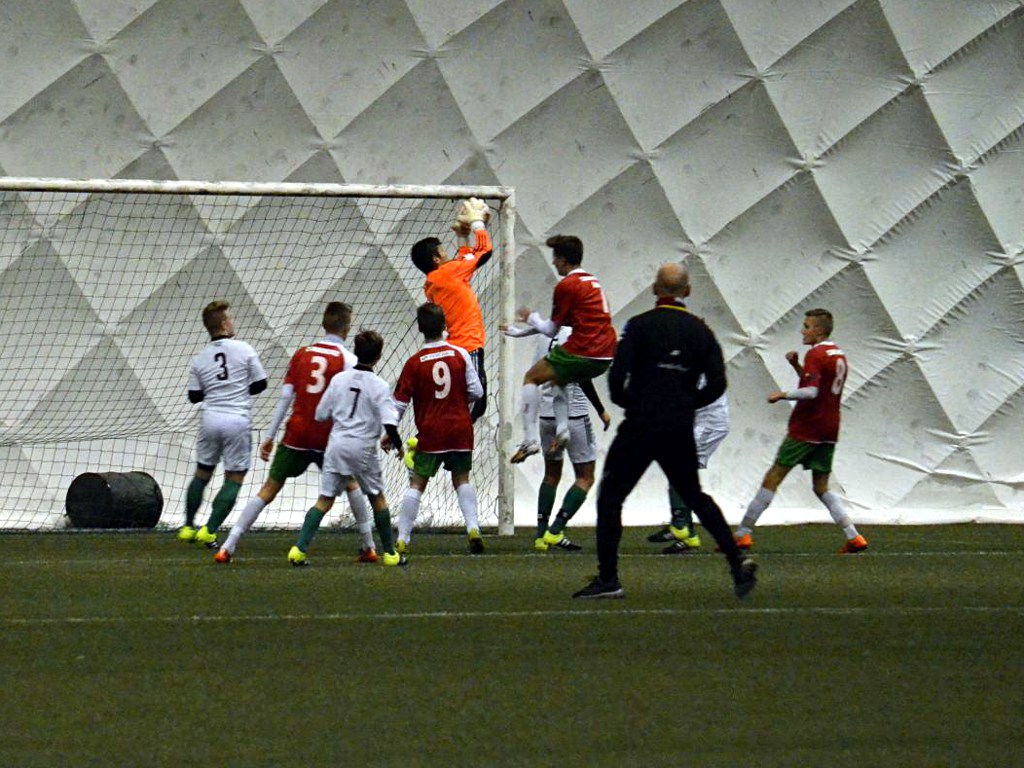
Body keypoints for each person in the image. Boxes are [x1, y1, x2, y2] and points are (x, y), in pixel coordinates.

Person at [573, 264, 757, 599]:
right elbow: (718, 383)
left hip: (641, 424)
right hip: (678, 427)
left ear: (655, 290)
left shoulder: (639, 325)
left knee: (611, 497)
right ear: (687, 291)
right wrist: (689, 403)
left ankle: (609, 578)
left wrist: (632, 402)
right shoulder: (701, 332)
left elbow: (616, 378)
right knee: (695, 495)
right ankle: (736, 563)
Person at [214, 302, 378, 564]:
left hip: (297, 434)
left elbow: (285, 397)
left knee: (269, 488)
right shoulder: (348, 360)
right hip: (327, 437)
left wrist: (270, 436)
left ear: (324, 324)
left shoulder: (302, 354)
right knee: (351, 484)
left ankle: (227, 546)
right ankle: (369, 545)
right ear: (347, 328)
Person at [733, 309, 868, 553]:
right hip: (830, 427)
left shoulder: (816, 353)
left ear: (819, 330)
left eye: (806, 326)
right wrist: (797, 366)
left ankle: (743, 534)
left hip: (808, 426)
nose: (802, 331)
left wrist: (782, 395)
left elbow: (811, 392)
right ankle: (853, 536)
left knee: (773, 476)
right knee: (821, 486)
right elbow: (818, 385)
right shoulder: (838, 354)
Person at [286, 330, 406, 567]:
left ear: (356, 351)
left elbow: (321, 414)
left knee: (325, 499)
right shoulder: (379, 385)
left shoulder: (339, 380)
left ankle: (298, 550)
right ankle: (390, 554)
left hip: (337, 445)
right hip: (363, 447)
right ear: (378, 356)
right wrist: (399, 446)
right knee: (377, 497)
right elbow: (390, 423)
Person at [502, 324, 611, 552]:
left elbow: (536, 374)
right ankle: (556, 529)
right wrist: (601, 410)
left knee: (551, 475)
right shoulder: (579, 335)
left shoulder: (545, 334)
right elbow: (583, 378)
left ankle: (541, 536)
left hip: (546, 415)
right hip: (574, 415)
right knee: (586, 477)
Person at [510, 235, 617, 464]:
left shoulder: (566, 285)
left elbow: (550, 330)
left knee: (531, 378)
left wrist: (531, 317)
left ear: (563, 259)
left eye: (555, 258)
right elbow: (572, 321)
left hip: (584, 349)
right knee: (557, 378)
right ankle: (562, 430)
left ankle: (530, 440)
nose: (553, 262)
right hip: (606, 354)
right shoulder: (593, 282)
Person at [392, 303, 485, 554]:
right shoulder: (460, 354)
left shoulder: (414, 363)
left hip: (431, 432)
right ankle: (473, 529)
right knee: (462, 479)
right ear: (445, 325)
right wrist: (457, 401)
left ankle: (402, 539)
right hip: (460, 429)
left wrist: (390, 433)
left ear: (420, 329)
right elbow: (477, 391)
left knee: (417, 483)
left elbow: (399, 403)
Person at [178, 300, 268, 548]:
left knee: (202, 473)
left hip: (210, 419)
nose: (232, 321)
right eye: (230, 317)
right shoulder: (244, 349)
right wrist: (236, 391)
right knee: (235, 477)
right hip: (236, 418)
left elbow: (193, 396)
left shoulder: (200, 358)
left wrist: (215, 391)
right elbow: (261, 383)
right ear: (225, 324)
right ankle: (209, 530)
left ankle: (188, 526)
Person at [410, 197, 492, 423]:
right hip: (469, 346)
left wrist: (462, 237)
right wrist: (477, 223)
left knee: (467, 406)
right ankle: (449, 439)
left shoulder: (434, 280)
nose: (448, 254)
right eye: (443, 251)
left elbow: (462, 262)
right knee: (475, 406)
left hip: (456, 347)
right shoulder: (448, 273)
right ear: (437, 259)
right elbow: (484, 251)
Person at [646, 387, 729, 554]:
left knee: (678, 467)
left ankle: (679, 524)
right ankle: (689, 536)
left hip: (710, 425)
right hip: (701, 422)